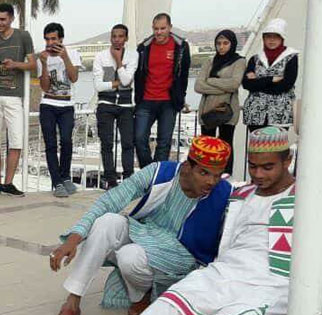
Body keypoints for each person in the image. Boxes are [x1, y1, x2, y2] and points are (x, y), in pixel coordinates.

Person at [73, 127, 296, 315]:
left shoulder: (305, 198)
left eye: (267, 167)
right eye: (253, 167)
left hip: (269, 284)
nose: (257, 174)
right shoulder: (241, 195)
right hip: (224, 272)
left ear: (287, 161)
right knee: (172, 302)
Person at [49, 136, 232, 315]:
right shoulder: (161, 173)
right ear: (188, 166)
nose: (211, 181)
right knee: (107, 222)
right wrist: (74, 238)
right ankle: (73, 299)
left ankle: (143, 294)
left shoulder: (225, 194)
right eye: (204, 173)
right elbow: (111, 200)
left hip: (181, 257)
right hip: (147, 235)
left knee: (130, 257)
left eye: (217, 175)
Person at [0, 3, 34, 197]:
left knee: (16, 139)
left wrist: (15, 64)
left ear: (11, 18)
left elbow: (32, 64)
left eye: (2, 19)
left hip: (13, 95)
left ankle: (9, 183)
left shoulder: (23, 36)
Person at [133, 13, 191, 168]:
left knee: (164, 143)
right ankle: (149, 172)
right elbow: (138, 74)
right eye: (156, 29)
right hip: (146, 100)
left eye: (162, 28)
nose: (159, 32)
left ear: (170, 28)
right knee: (139, 139)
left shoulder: (181, 47)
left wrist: (181, 97)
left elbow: (184, 74)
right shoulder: (143, 47)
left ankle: (157, 179)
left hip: (168, 102)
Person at [37, 22, 81, 198]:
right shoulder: (42, 57)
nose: (50, 43)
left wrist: (65, 58)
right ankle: (56, 182)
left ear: (61, 39)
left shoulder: (73, 54)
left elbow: (74, 78)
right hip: (48, 105)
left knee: (66, 140)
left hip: (66, 106)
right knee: (51, 144)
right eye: (47, 39)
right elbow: (45, 87)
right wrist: (45, 64)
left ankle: (65, 177)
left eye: (53, 39)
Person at [94, 24, 139, 189]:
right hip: (105, 104)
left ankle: (128, 179)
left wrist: (118, 61)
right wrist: (116, 83)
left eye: (121, 36)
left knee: (128, 143)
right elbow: (98, 86)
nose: (117, 40)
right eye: (114, 36)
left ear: (126, 38)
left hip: (126, 105)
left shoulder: (133, 56)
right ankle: (110, 180)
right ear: (110, 37)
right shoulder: (100, 56)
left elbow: (127, 82)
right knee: (106, 144)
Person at [195, 30, 245, 175]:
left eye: (225, 43)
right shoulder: (210, 61)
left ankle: (226, 176)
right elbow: (198, 86)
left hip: (227, 111)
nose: (221, 47)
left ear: (232, 44)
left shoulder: (239, 61)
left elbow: (234, 84)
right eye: (218, 43)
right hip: (208, 111)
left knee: (225, 146)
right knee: (207, 147)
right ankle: (205, 175)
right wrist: (223, 88)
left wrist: (211, 81)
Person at [242, 18, 299, 134]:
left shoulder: (291, 57)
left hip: (280, 113)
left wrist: (258, 84)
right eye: (268, 36)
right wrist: (271, 79)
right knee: (257, 147)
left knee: (276, 147)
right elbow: (247, 84)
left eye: (276, 36)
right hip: (255, 114)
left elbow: (286, 85)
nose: (271, 40)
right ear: (263, 38)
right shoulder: (255, 58)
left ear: (282, 39)